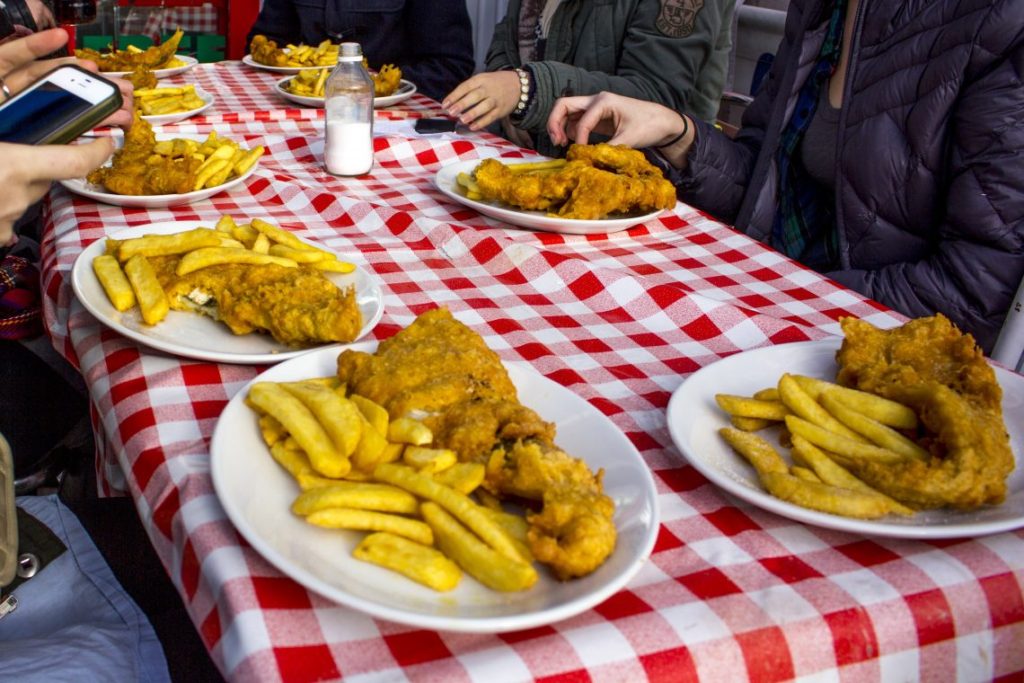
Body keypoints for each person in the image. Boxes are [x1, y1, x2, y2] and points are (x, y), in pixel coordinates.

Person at [546, 0, 1024, 352]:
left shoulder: (1001, 24)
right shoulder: (824, 11)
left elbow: (974, 292)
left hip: (873, 351)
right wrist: (677, 132)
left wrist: (776, 302)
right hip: (768, 305)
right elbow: (759, 184)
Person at [443, 0, 734, 157]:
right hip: (536, 171)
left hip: (640, 196)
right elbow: (506, 42)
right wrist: (512, 98)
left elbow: (656, 99)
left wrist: (526, 90)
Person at [245, 0, 474, 103]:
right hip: (298, 112)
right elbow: (266, 44)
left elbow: (449, 66)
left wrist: (360, 90)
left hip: (397, 127)